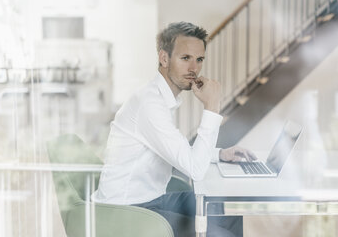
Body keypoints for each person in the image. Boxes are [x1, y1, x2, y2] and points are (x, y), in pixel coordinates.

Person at [92, 22, 256, 237]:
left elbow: (176, 150)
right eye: (185, 58)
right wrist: (212, 107)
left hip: (151, 200)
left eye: (199, 60)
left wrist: (220, 154)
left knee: (219, 212)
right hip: (127, 210)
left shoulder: (160, 99)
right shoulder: (150, 105)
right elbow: (195, 169)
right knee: (222, 233)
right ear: (164, 58)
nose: (194, 68)